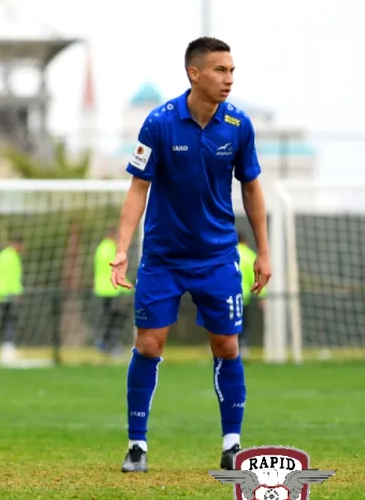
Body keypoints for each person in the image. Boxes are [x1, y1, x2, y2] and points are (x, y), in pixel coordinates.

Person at [110, 37, 271, 474]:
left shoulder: (239, 126)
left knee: (227, 346)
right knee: (148, 343)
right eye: (220, 70)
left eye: (232, 70)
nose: (229, 79)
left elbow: (252, 187)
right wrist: (123, 250)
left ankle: (233, 445)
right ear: (194, 73)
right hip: (162, 258)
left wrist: (262, 251)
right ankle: (137, 445)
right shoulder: (158, 123)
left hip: (219, 258)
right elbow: (137, 189)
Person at [93, 227, 129, 356]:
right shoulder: (111, 249)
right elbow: (117, 270)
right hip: (112, 289)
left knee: (108, 318)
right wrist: (127, 286)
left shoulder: (101, 248)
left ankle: (103, 343)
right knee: (116, 318)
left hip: (102, 289)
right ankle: (111, 345)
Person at [0, 236, 24, 363]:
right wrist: (17, 292)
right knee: (10, 320)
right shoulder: (13, 257)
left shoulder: (2, 254)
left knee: (5, 319)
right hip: (9, 292)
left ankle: (6, 347)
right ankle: (8, 348)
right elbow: (13, 277)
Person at [236, 231, 264, 356]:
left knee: (226, 324)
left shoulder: (227, 254)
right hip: (244, 297)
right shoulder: (250, 255)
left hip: (225, 296)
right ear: (245, 241)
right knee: (243, 323)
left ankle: (225, 350)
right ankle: (243, 348)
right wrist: (262, 296)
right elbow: (257, 277)